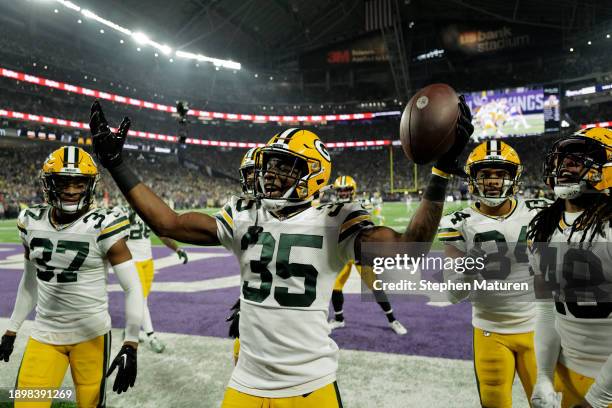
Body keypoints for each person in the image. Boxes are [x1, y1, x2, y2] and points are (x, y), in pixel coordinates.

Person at [88, 99, 473, 407]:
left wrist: (439, 175)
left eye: (285, 167)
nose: (270, 174)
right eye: (270, 165)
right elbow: (169, 223)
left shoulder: (336, 219)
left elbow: (407, 250)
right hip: (247, 379)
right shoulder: (244, 214)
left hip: (310, 383)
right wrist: (118, 164)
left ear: (314, 175)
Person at [0, 146, 143, 407]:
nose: (71, 189)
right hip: (44, 333)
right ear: (49, 183)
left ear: (90, 185)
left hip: (91, 335)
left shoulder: (103, 223)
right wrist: (12, 328)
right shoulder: (30, 221)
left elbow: (133, 287)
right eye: (63, 181)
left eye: (79, 182)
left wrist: (131, 343)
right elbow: (30, 281)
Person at [439, 140, 550, 407]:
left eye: (501, 174)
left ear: (514, 178)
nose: (492, 181)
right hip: (490, 331)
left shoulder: (540, 210)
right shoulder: (457, 223)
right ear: (473, 179)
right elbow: (454, 294)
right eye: (485, 174)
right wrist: (467, 270)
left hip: (539, 328)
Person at [528, 128, 612, 408]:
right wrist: (543, 376)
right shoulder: (543, 227)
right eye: (563, 158)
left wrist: (599, 397)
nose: (565, 164)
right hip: (566, 371)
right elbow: (546, 309)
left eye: (580, 158)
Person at [328, 176, 407, 335]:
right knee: (336, 287)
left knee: (375, 287)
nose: (343, 194)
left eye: (346, 190)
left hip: (360, 254)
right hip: (343, 254)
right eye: (340, 191)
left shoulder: (360, 206)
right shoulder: (331, 208)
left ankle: (392, 320)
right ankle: (338, 319)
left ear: (353, 191)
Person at [116, 204, 188, 353]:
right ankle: (152, 337)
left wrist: (177, 248)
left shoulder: (145, 209)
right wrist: (124, 222)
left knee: (141, 299)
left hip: (147, 261)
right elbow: (113, 235)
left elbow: (161, 234)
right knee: (141, 300)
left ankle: (129, 330)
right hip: (132, 261)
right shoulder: (120, 210)